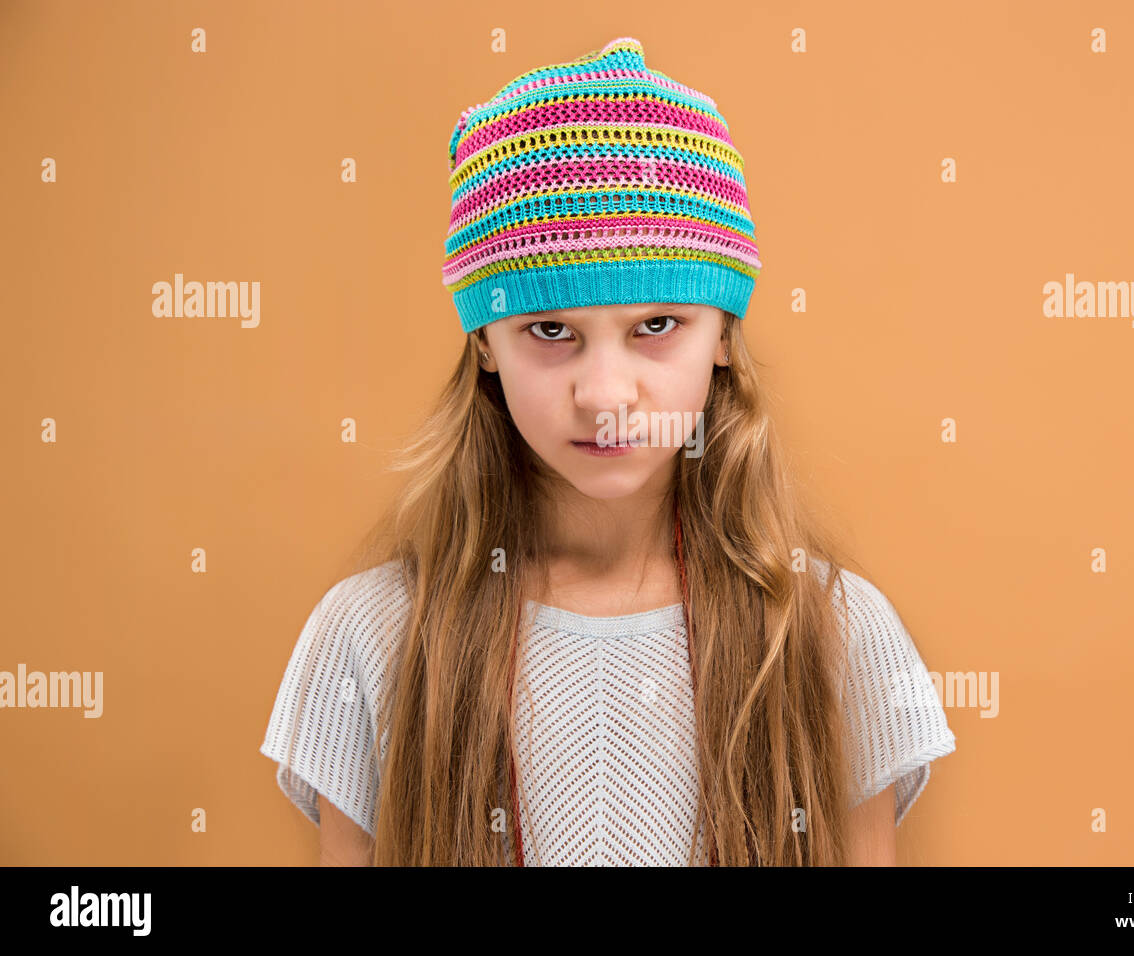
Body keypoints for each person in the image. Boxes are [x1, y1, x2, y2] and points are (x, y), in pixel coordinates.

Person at [258, 36, 956, 866]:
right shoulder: (374, 638)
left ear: (724, 331)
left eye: (656, 326)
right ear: (484, 342)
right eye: (551, 330)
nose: (604, 393)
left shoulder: (831, 635)